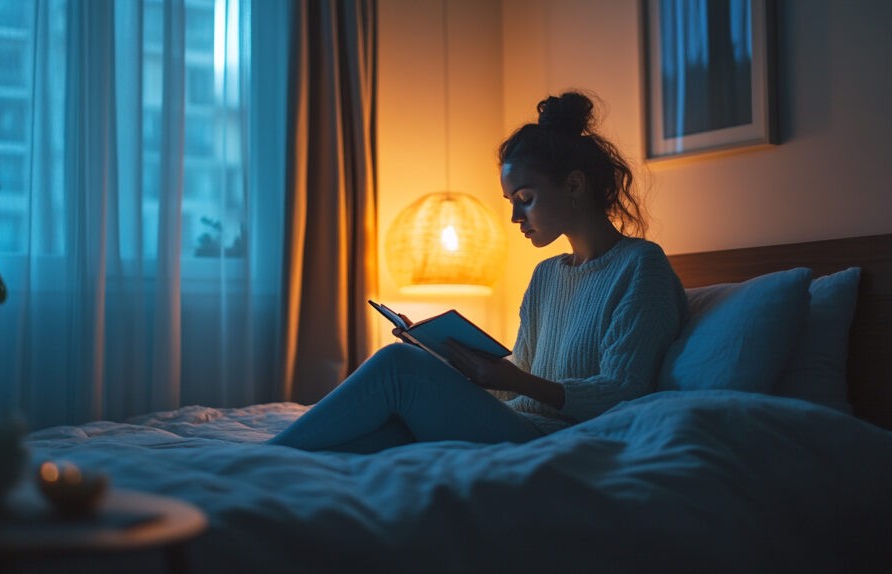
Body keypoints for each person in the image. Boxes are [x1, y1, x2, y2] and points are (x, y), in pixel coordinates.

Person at [268, 91, 688, 453]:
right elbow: (512, 385)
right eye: (511, 201)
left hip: (556, 440)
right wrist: (448, 358)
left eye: (525, 198)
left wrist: (517, 381)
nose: (514, 216)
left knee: (396, 365)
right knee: (367, 437)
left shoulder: (641, 267)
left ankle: (262, 458)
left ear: (575, 186)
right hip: (514, 422)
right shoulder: (547, 275)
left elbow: (622, 393)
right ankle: (264, 466)